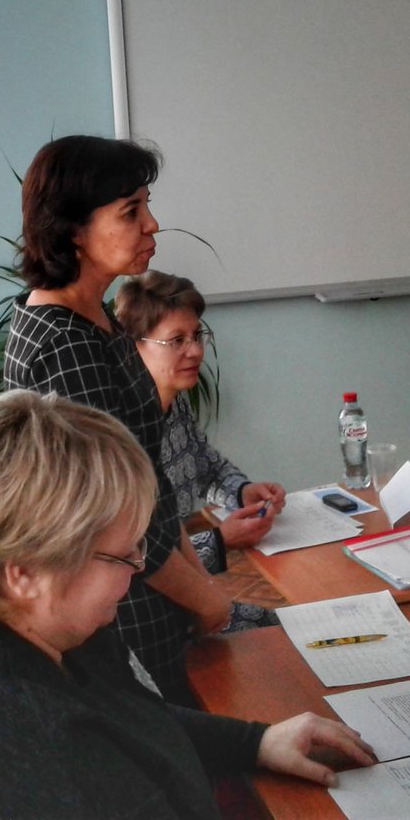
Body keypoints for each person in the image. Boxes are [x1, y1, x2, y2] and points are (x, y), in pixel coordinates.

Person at [0, 391, 376, 819]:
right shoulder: (45, 766)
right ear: (24, 571)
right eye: (121, 556)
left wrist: (254, 742)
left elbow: (123, 718)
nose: (136, 572)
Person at [2, 134, 232, 704]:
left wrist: (200, 584)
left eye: (146, 206)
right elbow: (114, 514)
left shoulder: (93, 318)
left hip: (149, 582)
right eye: (131, 212)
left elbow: (148, 478)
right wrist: (203, 598)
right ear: (73, 230)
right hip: (120, 605)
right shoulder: (65, 346)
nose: (152, 225)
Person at [115, 270, 286, 630]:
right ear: (134, 346)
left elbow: (206, 465)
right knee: (277, 633)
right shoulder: (122, 435)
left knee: (284, 624)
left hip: (189, 600)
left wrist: (242, 491)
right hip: (151, 619)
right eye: (176, 340)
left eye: (196, 336)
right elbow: (137, 564)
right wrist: (221, 541)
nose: (195, 351)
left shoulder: (175, 402)